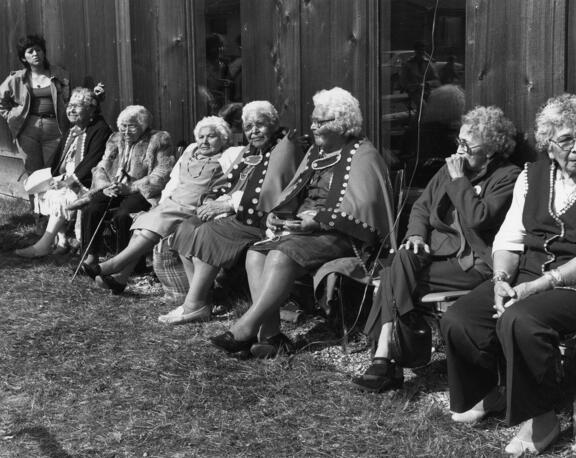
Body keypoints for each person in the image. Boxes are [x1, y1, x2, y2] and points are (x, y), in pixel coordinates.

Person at [440, 94, 576, 456]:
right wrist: (501, 278)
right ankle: (492, 393)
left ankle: (542, 419)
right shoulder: (531, 177)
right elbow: (509, 238)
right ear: (549, 145)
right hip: (529, 277)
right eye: (565, 139)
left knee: (521, 319)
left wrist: (538, 285)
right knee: (461, 318)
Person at [209, 87, 396, 359]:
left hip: (343, 235)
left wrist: (318, 221)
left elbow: (364, 206)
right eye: (314, 120)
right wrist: (278, 212)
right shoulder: (316, 153)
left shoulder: (364, 154)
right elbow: (294, 192)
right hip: (301, 231)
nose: (313, 126)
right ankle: (270, 336)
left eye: (321, 122)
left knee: (280, 254)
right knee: (255, 253)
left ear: (342, 124)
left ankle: (245, 328)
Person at [352, 106, 521, 392]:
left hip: (474, 265)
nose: (458, 149)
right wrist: (417, 234)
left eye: (467, 144)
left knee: (393, 277)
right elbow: (421, 206)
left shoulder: (507, 176)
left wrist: (458, 181)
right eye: (459, 140)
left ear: (491, 150)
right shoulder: (450, 169)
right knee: (403, 256)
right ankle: (387, 352)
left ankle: (384, 358)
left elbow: (479, 217)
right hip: (438, 253)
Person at [157, 100, 300, 324]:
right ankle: (204, 298)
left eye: (260, 124)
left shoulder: (284, 146)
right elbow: (228, 179)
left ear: (273, 124)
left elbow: (273, 191)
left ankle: (194, 305)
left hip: (262, 219)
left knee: (209, 233)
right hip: (239, 213)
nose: (254, 131)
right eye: (248, 126)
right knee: (185, 227)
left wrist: (229, 205)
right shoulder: (251, 149)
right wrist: (213, 198)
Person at [82, 116, 234, 294]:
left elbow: (233, 186)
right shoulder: (191, 151)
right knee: (142, 225)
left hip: (192, 207)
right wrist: (160, 204)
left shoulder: (227, 156)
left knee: (149, 227)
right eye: (201, 137)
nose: (205, 141)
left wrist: (221, 204)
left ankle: (112, 266)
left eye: (211, 136)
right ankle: (120, 279)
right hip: (173, 202)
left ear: (223, 138)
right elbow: (173, 181)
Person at [14, 87, 111, 258]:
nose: (71, 110)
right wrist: (50, 177)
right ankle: (62, 240)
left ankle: (43, 245)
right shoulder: (73, 129)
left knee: (60, 194)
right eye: (69, 106)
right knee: (46, 190)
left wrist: (67, 181)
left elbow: (92, 160)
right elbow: (57, 157)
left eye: (77, 106)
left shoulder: (100, 129)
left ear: (90, 110)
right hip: (67, 176)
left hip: (88, 180)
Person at [78, 105, 174, 272]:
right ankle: (90, 257)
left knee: (124, 215)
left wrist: (130, 187)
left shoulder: (159, 139)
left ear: (143, 126)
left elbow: (162, 173)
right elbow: (102, 166)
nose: (126, 131)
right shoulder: (115, 138)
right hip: (114, 187)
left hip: (142, 191)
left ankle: (125, 264)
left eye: (132, 126)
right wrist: (106, 186)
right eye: (123, 126)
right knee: (91, 208)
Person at [0, 34, 70, 212]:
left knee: (53, 172)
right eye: (30, 51)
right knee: (34, 173)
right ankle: (39, 217)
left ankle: (55, 216)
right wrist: (10, 115)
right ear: (24, 57)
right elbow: (1, 101)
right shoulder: (17, 78)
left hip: (54, 128)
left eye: (38, 49)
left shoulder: (59, 73)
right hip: (27, 129)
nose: (35, 54)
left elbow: (68, 99)